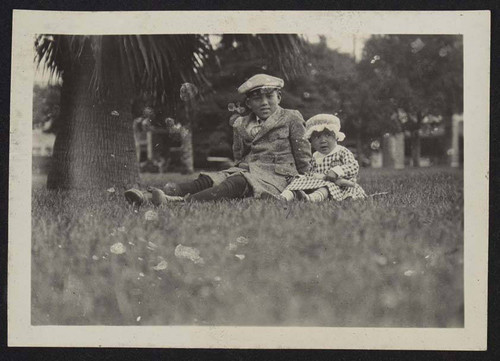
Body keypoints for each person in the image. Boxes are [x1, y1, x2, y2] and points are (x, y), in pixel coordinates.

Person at [124, 73, 312, 206]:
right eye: (257, 99)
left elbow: (303, 154)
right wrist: (237, 170)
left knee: (236, 182)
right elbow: (239, 155)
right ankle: (148, 197)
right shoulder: (241, 124)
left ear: (278, 97)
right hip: (247, 170)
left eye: (269, 97)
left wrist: (307, 184)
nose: (264, 103)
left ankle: (179, 203)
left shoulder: (291, 118)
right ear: (248, 103)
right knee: (208, 179)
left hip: (278, 177)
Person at [278, 114, 367, 202]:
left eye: (328, 135)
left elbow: (353, 166)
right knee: (297, 183)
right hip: (319, 182)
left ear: (336, 137)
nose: (323, 140)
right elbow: (311, 172)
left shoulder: (341, 151)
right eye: (317, 137)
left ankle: (311, 198)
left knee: (326, 187)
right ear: (311, 141)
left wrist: (336, 171)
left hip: (341, 186)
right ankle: (283, 197)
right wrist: (303, 177)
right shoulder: (315, 156)